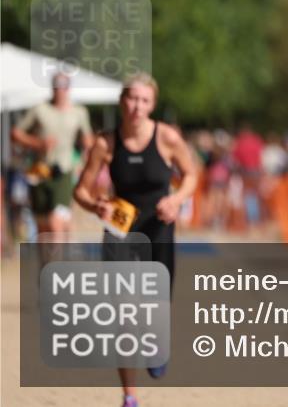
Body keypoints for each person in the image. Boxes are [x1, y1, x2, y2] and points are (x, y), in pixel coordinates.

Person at [73, 72, 198, 407]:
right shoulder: (106, 143)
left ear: (152, 104)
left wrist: (176, 199)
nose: (137, 106)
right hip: (120, 231)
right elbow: (81, 191)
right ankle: (129, 396)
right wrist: (95, 204)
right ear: (122, 101)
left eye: (144, 100)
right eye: (131, 98)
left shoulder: (167, 138)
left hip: (159, 229)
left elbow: (191, 175)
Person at [10, 71, 94, 240]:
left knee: (56, 222)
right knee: (42, 227)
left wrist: (87, 158)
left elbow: (88, 140)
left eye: (63, 86)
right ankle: (47, 265)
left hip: (64, 171)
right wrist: (37, 143)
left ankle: (58, 265)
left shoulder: (79, 112)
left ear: (69, 88)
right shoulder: (39, 109)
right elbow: (16, 134)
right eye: (56, 86)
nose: (60, 90)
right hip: (40, 172)